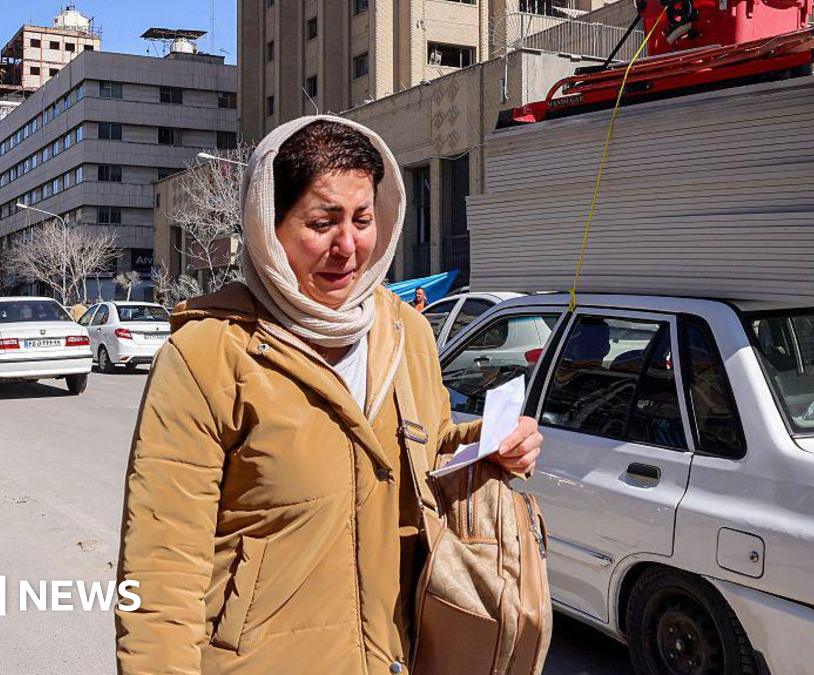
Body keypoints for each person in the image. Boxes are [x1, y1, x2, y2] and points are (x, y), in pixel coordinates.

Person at [115, 116, 542, 674]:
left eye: (362, 219)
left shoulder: (406, 332)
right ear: (267, 225)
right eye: (322, 222)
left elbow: (428, 454)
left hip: (394, 657)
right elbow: (161, 568)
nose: (348, 246)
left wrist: (491, 447)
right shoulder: (207, 354)